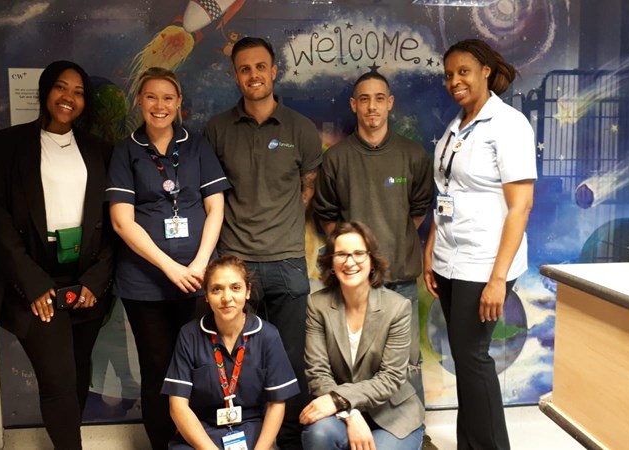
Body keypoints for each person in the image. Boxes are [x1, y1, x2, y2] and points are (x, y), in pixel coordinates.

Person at [0, 60, 114, 450]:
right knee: (57, 380)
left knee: (78, 372)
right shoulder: (4, 146)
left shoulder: (101, 151)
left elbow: (116, 221)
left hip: (85, 280)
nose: (68, 97)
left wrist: (96, 280)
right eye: (60, 87)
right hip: (35, 277)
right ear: (45, 91)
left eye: (78, 92)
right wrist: (33, 283)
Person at [204, 36, 322, 449]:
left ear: (274, 71)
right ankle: (247, 440)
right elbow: (211, 196)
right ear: (235, 75)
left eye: (260, 67)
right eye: (244, 68)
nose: (253, 75)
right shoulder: (216, 130)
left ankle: (288, 442)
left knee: (291, 361)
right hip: (236, 266)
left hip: (287, 262)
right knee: (237, 359)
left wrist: (278, 224)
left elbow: (308, 188)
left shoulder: (301, 129)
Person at [107, 67, 230, 449]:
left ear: (179, 103)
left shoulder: (197, 146)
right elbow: (121, 221)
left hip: (197, 279)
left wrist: (200, 264)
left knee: (201, 365)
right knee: (158, 368)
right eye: (151, 97)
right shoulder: (126, 151)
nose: (159, 105)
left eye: (167, 98)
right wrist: (170, 267)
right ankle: (164, 444)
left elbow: (216, 207)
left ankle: (199, 443)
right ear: (139, 101)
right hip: (144, 283)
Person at [423, 39, 536, 450]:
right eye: (449, 75)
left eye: (463, 72)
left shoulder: (508, 125)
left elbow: (521, 207)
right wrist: (431, 250)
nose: (454, 81)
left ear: (486, 71)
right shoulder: (457, 125)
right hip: (449, 259)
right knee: (465, 360)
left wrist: (498, 279)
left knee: (473, 358)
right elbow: (446, 192)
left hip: (485, 263)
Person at [312, 72, 434, 445]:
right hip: (352, 286)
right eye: (364, 99)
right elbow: (327, 214)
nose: (372, 107)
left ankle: (414, 433)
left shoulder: (412, 154)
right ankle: (354, 424)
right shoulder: (338, 158)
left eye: (379, 98)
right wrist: (354, 256)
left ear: (390, 103)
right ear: (354, 105)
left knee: (407, 365)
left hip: (399, 277)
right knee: (352, 361)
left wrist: (385, 250)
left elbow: (418, 211)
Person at [300, 222, 425, 450]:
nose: (350, 262)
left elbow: (390, 378)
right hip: (340, 414)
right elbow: (317, 372)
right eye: (341, 254)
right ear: (331, 263)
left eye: (358, 253)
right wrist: (350, 412)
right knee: (318, 433)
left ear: (372, 261)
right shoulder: (317, 305)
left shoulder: (397, 307)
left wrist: (339, 399)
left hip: (393, 415)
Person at [162, 256, 300, 449]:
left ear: (248, 291)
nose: (226, 298)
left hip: (252, 430)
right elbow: (178, 406)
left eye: (236, 288)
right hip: (202, 432)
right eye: (216, 289)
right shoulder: (189, 335)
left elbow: (276, 404)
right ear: (206, 295)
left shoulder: (268, 335)